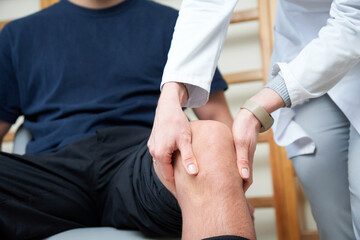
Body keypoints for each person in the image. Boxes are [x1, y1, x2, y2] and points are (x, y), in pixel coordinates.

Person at [0, 0, 256, 239]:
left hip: (145, 162)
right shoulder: (17, 36)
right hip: (53, 173)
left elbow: (216, 117)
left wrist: (226, 188)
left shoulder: (175, 24)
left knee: (211, 137)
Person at [149, 0, 360, 239]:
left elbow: (354, 20)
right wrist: (169, 97)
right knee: (325, 198)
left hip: (351, 29)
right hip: (305, 44)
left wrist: (259, 107)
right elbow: (206, 4)